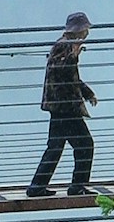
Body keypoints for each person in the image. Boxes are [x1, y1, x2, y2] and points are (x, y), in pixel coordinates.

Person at [28, 12, 97, 197]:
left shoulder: (67, 45)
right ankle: (77, 186)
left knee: (56, 146)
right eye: (85, 29)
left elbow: (71, 77)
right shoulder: (63, 46)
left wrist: (87, 93)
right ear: (79, 30)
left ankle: (37, 186)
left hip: (62, 106)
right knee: (85, 145)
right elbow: (60, 70)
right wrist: (73, 57)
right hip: (65, 107)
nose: (87, 33)